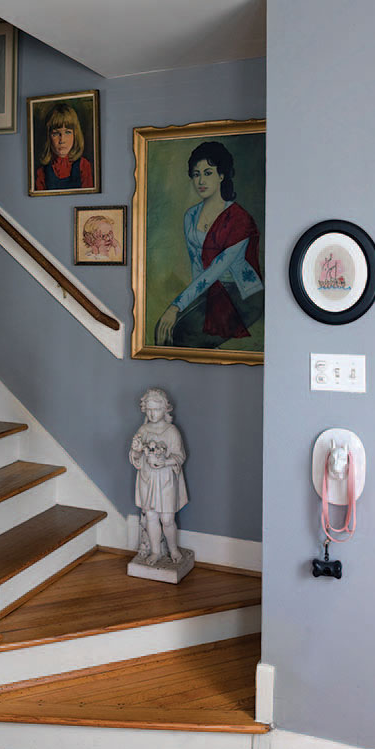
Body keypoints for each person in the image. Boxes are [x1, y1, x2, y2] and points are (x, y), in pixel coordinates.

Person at [155, 141, 263, 348]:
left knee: (182, 337)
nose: (200, 181)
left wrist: (176, 306)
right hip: (210, 289)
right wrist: (193, 304)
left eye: (208, 173)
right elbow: (197, 266)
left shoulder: (239, 219)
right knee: (164, 329)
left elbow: (215, 270)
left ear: (222, 175)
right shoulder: (190, 216)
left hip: (242, 294)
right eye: (196, 174)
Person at [129, 388, 188, 565]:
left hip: (166, 480)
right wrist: (136, 449)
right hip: (147, 479)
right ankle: (155, 552)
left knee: (167, 518)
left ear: (165, 409)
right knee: (151, 516)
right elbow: (135, 457)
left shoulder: (171, 431)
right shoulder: (143, 429)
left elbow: (180, 456)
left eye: (156, 409)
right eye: (149, 409)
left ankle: (173, 549)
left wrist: (166, 462)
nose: (152, 413)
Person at [35, 103, 94, 191]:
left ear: (75, 135)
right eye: (55, 133)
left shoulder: (84, 166)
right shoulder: (41, 172)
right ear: (48, 137)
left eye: (67, 132)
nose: (62, 140)